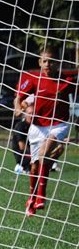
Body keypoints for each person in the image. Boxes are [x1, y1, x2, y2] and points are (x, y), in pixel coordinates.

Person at [16, 46, 74, 216]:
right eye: (45, 61)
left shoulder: (68, 80)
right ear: (40, 62)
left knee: (44, 152)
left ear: (58, 63)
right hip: (38, 126)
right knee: (35, 166)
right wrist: (18, 107)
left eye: (52, 61)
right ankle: (32, 198)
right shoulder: (33, 79)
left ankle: (41, 195)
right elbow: (19, 97)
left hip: (59, 125)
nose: (48, 64)